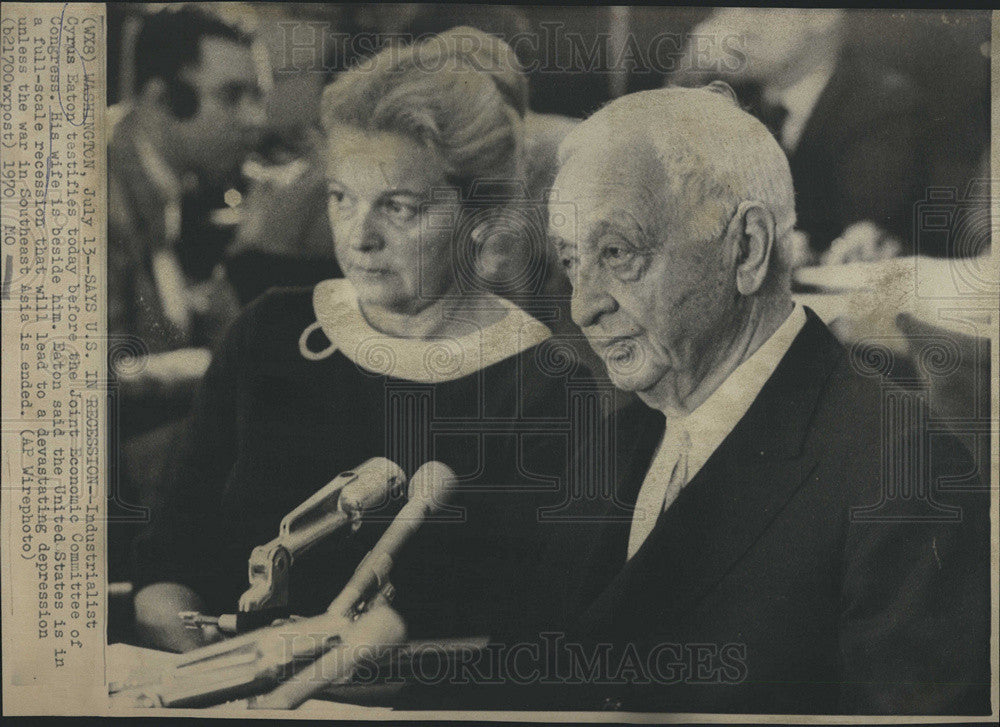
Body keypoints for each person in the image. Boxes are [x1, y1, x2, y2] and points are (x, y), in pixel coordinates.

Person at [529, 84, 989, 714]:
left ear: (745, 249)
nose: (583, 305)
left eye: (617, 254)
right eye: (572, 260)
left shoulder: (906, 472)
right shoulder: (609, 444)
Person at [131, 29, 591, 653]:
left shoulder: (541, 384)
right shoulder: (270, 331)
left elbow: (524, 626)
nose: (358, 237)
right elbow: (166, 569)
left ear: (481, 214)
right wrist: (209, 661)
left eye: (398, 207)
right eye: (343, 198)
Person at [108, 6, 265, 585]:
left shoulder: (176, 183)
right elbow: (72, 383)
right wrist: (214, 367)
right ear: (159, 97)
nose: (254, 119)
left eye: (258, 96)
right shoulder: (87, 193)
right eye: (232, 96)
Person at [671, 9, 925, 264]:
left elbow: (863, 231)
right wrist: (688, 75)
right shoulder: (720, 94)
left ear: (824, 15)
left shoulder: (881, 102)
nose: (735, 23)